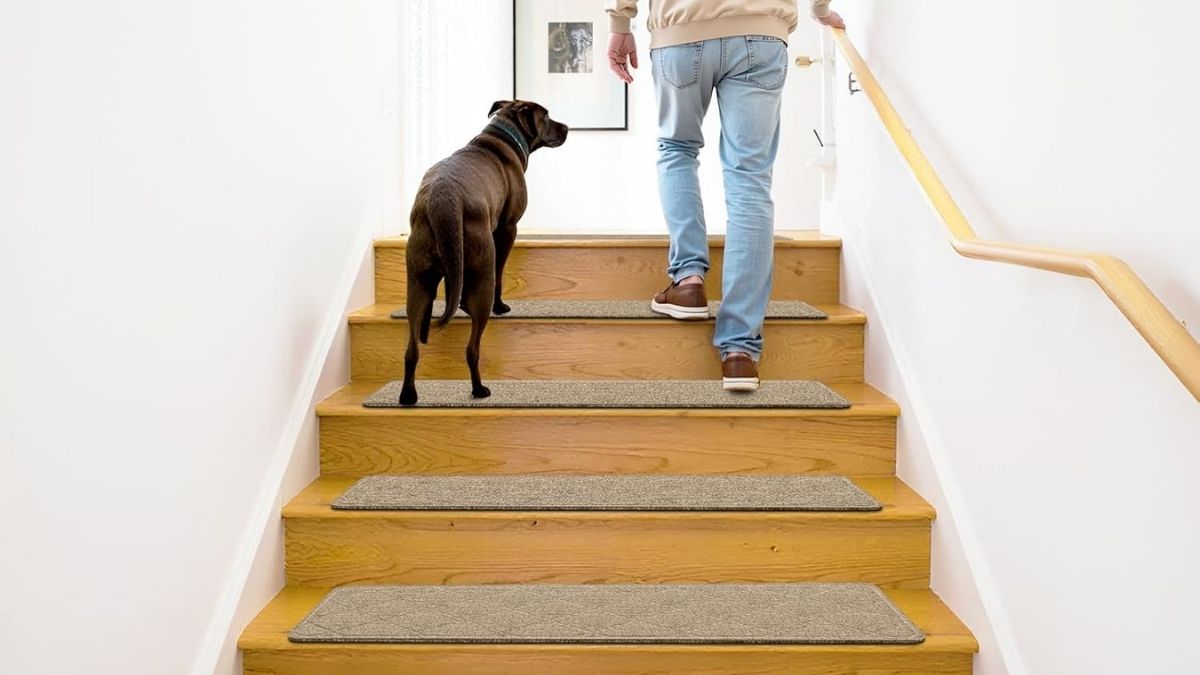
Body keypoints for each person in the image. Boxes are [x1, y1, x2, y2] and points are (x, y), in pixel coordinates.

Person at [604, 0, 844, 391]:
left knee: (677, 149)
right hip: (762, 31)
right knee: (750, 180)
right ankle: (740, 353)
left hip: (681, 27)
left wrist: (620, 20)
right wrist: (819, 10)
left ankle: (688, 280)